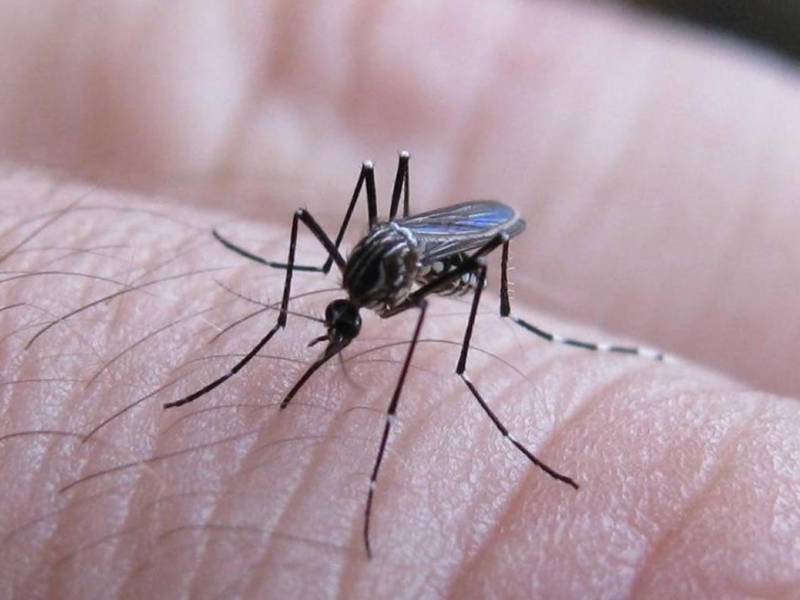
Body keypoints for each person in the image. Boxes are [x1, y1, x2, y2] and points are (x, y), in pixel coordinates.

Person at [0, 1, 798, 597]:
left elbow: (466, 245)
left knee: (470, 275)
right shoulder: (350, 282)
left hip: (435, 249)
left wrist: (405, 398)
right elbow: (355, 244)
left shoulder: (385, 290)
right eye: (338, 323)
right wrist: (284, 315)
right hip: (395, 250)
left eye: (335, 324)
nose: (339, 329)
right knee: (357, 216)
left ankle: (501, 345)